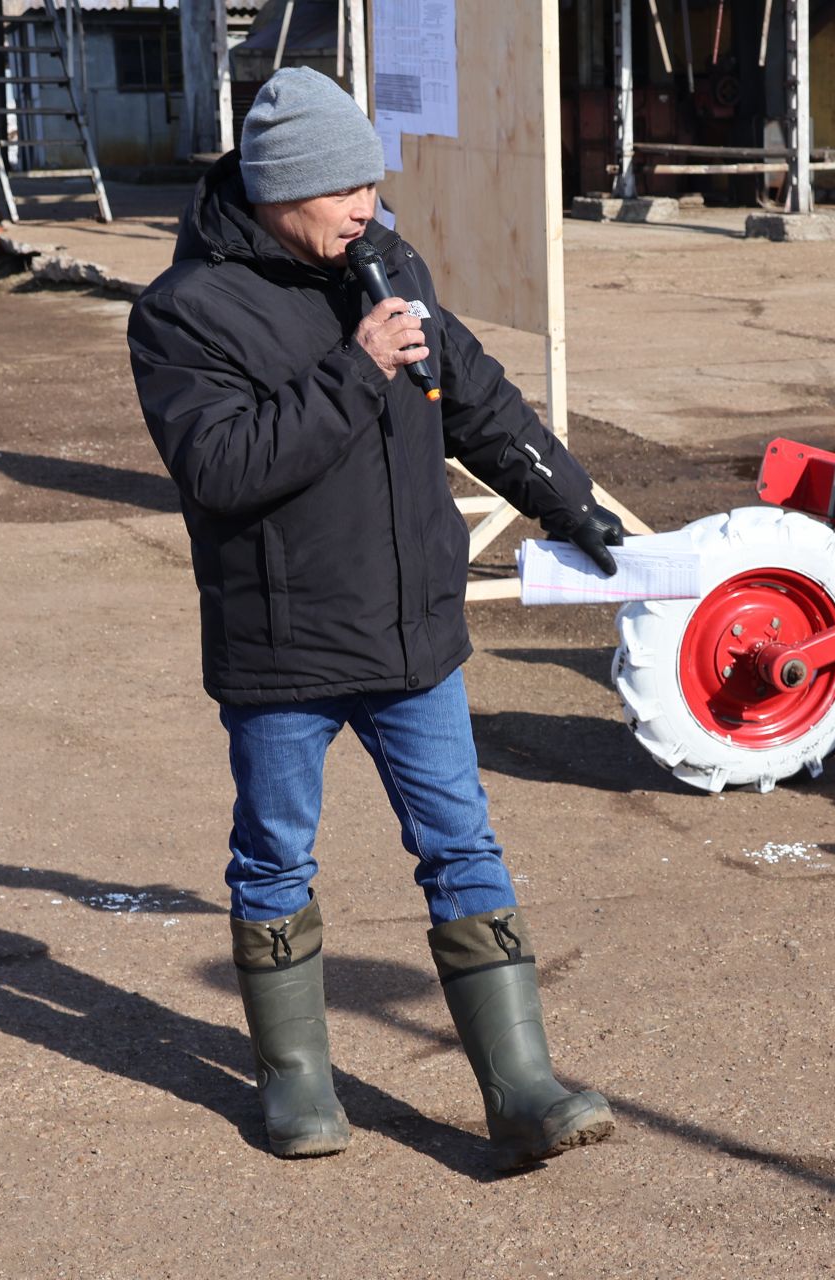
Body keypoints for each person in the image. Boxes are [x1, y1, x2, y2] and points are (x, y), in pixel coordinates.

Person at [126, 67, 623, 1164]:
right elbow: (222, 465)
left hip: (412, 640)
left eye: (370, 178)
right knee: (272, 860)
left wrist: (574, 503)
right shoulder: (182, 313)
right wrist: (355, 369)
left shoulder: (387, 268)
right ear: (279, 187)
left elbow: (478, 398)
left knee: (463, 845)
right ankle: (297, 1083)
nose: (369, 203)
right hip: (283, 647)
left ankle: (522, 1083)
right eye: (345, 185)